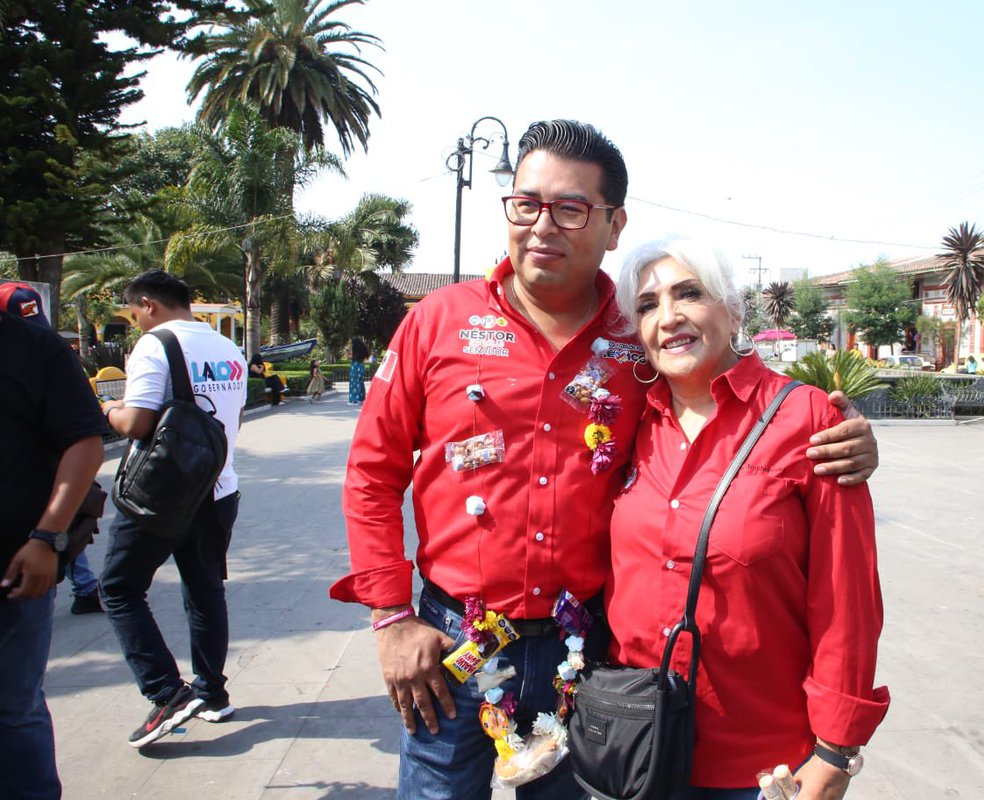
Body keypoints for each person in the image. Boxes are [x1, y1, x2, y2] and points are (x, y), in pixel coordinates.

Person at [330, 119, 880, 800]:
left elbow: (722, 397)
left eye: (571, 209)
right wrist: (389, 616)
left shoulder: (637, 339)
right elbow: (371, 471)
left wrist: (835, 425)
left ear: (614, 226)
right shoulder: (439, 321)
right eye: (526, 204)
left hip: (583, 655)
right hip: (452, 646)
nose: (542, 226)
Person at [607, 239, 888, 798]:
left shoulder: (806, 419)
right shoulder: (623, 423)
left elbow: (847, 597)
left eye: (690, 293)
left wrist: (836, 749)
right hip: (633, 746)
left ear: (734, 311)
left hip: (762, 766)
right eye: (648, 304)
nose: (669, 318)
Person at [99, 271, 247, 748]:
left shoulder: (155, 344)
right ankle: (212, 694)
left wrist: (108, 409)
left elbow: (138, 423)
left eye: (135, 312)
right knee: (204, 591)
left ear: (148, 304)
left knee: (119, 588)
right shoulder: (229, 349)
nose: (137, 321)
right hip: (218, 489)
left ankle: (166, 692)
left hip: (160, 498)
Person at [1, 297, 107, 799]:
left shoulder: (33, 348)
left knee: (14, 709)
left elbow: (85, 441)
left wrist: (47, 537)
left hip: (15, 567)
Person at [0, 281, 104, 614]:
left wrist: (47, 538)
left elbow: (85, 442)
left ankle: (85, 585)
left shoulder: (41, 348)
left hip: (26, 551)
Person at [348, 337, 368, 405]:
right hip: (361, 366)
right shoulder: (363, 350)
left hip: (355, 367)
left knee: (354, 382)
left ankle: (354, 400)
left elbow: (350, 358)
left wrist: (348, 353)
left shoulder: (355, 351)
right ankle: (361, 399)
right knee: (360, 382)